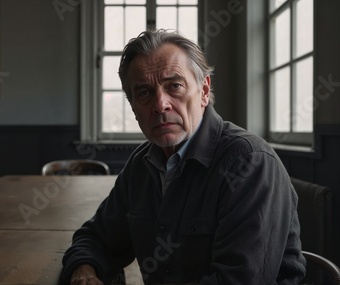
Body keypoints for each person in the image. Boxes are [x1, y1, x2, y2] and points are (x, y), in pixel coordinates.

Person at [60, 29, 306, 285]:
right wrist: (84, 272)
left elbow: (237, 281)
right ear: (133, 107)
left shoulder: (250, 162)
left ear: (203, 91)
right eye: (144, 92)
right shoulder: (141, 165)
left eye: (174, 85)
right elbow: (96, 238)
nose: (160, 104)